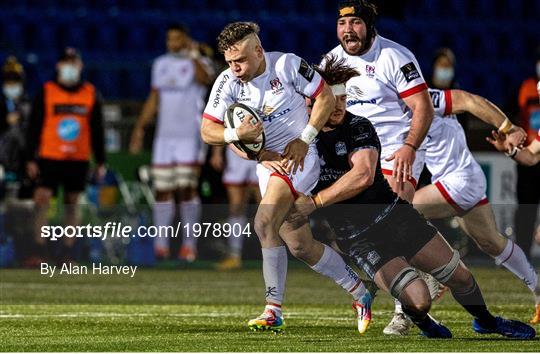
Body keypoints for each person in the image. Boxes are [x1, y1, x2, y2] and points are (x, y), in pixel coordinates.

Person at [291, 56, 536, 339]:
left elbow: (363, 176)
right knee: (420, 300)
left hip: (396, 217)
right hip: (360, 237)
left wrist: (316, 202)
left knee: (462, 277)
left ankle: (487, 321)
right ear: (317, 102)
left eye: (345, 99)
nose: (340, 106)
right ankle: (420, 320)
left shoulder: (359, 126)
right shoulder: (301, 138)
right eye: (334, 100)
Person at [201, 22, 373, 334]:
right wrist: (237, 136)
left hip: (300, 158)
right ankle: (360, 291)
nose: (234, 67)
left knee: (263, 222)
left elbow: (325, 98)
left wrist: (305, 138)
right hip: (268, 164)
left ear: (258, 50)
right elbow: (207, 130)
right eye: (228, 61)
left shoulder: (287, 64)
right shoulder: (227, 81)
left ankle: (273, 310)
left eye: (239, 60)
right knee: (300, 245)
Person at [325, 0, 437, 334]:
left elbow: (422, 107)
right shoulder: (331, 61)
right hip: (354, 157)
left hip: (393, 154)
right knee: (345, 234)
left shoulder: (395, 57)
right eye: (343, 24)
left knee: (393, 228)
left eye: (356, 23)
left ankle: (404, 311)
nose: (348, 30)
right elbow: (321, 110)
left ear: (370, 25)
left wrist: (409, 148)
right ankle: (414, 274)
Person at [415, 88, 540, 325]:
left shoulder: (424, 99)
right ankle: (538, 289)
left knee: (402, 213)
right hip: (457, 180)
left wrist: (508, 127)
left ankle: (441, 269)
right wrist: (511, 150)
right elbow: (531, 158)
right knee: (491, 242)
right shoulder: (391, 109)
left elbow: (471, 101)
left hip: (459, 180)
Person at [129, 23, 214, 262]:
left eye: (178, 39)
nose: (173, 43)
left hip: (190, 136)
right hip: (164, 138)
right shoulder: (160, 64)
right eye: (170, 39)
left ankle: (189, 245)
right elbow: (154, 98)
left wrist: (194, 55)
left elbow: (205, 79)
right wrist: (139, 128)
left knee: (187, 189)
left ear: (186, 39)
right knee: (163, 190)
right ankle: (160, 245)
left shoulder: (198, 62)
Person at [25, 47, 106, 265]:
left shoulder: (90, 93)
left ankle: (68, 252)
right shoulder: (47, 91)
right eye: (66, 62)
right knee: (41, 200)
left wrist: (100, 161)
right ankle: (38, 250)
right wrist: (30, 158)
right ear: (58, 66)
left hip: (78, 158)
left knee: (73, 204)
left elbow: (98, 129)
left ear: (80, 66)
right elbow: (34, 126)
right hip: (50, 156)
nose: (70, 67)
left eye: (74, 62)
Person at [210, 144, 260, 270]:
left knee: (267, 206)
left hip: (262, 149)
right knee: (236, 207)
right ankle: (234, 255)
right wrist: (217, 152)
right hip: (236, 149)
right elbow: (222, 124)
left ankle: (274, 255)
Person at [512, 49, 540, 262]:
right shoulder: (524, 88)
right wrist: (510, 148)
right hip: (530, 167)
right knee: (526, 212)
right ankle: (521, 256)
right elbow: (531, 156)